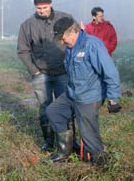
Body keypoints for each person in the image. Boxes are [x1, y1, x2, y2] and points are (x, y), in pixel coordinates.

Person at [46, 17, 121, 166]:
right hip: (72, 93)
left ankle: (99, 161)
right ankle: (64, 152)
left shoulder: (92, 45)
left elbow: (110, 72)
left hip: (89, 96)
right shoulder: (69, 47)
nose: (61, 42)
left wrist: (113, 99)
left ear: (74, 31)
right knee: (54, 111)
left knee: (87, 131)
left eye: (63, 38)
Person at [17, 0, 75, 152]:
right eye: (38, 8)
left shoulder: (65, 18)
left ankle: (70, 141)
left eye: (44, 7)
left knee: (66, 106)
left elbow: (76, 40)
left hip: (63, 72)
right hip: (41, 74)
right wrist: (34, 71)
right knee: (45, 107)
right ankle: (48, 142)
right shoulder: (27, 25)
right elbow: (22, 50)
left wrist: (71, 65)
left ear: (50, 4)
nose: (42, 11)